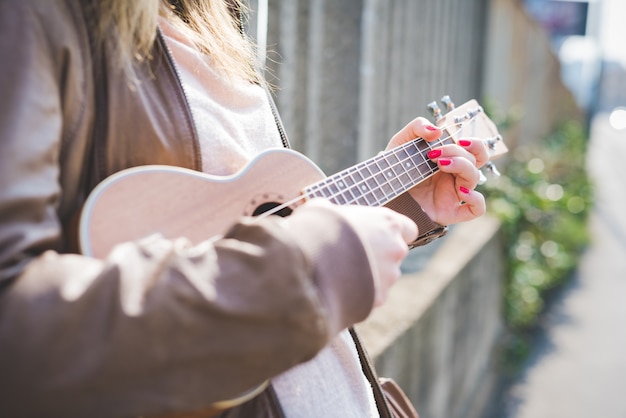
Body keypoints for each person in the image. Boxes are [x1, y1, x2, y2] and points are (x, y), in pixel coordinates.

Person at [0, 0, 489, 417]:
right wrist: (306, 269)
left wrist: (403, 204)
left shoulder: (214, 14)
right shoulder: (35, 17)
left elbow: (243, 222)